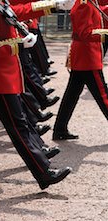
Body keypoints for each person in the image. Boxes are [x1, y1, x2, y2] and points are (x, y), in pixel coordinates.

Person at [0, 0, 72, 190]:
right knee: (19, 127)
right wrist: (18, 44)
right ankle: (43, 172)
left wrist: (53, 5)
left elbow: (18, 11)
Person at [53, 0, 108, 140]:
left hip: (84, 56)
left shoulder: (89, 2)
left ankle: (60, 129)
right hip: (87, 57)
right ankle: (59, 129)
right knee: (103, 95)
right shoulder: (84, 4)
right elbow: (85, 33)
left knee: (71, 95)